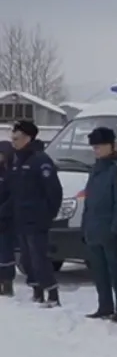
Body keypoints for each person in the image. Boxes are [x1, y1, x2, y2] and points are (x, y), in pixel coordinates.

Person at [7, 121, 63, 306]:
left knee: (39, 257)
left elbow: (54, 191)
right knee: (26, 258)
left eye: (17, 138)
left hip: (36, 218)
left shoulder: (40, 160)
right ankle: (36, 290)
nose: (13, 142)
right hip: (21, 218)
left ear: (28, 138)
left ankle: (52, 293)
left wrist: (47, 215)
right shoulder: (16, 159)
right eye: (12, 138)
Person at [82, 127, 117, 322]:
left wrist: (116, 227)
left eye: (100, 146)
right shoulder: (96, 168)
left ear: (112, 145)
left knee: (115, 270)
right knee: (99, 270)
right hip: (94, 227)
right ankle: (105, 305)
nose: (96, 150)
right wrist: (85, 226)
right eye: (94, 147)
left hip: (109, 227)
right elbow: (89, 200)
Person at [0, 141, 16, 296]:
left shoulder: (11, 173)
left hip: (6, 219)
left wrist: (3, 210)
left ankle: (7, 281)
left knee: (5, 252)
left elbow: (13, 197)